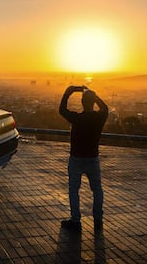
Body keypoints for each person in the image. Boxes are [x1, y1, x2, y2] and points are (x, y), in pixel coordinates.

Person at [59, 85, 108, 231]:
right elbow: (105, 108)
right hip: (93, 158)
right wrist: (94, 95)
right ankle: (98, 219)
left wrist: (69, 91)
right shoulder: (100, 117)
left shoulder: (77, 118)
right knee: (97, 190)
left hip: (76, 158)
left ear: (82, 102)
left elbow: (62, 110)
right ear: (93, 102)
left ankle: (76, 221)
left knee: (74, 189)